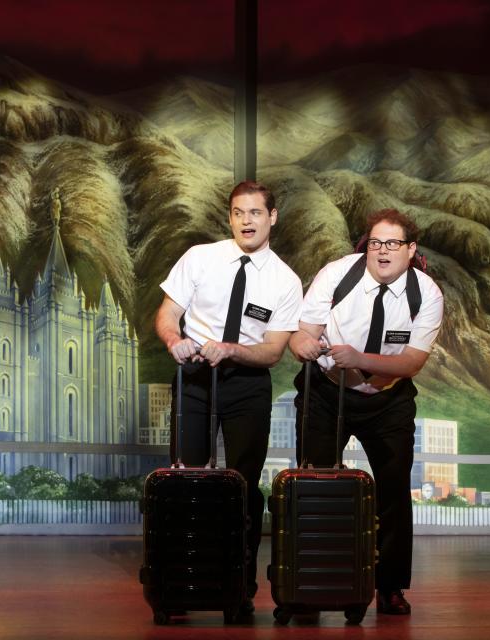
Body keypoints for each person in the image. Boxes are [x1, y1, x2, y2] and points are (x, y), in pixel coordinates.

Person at [154, 181, 302, 610]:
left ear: (272, 217)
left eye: (255, 213)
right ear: (230, 217)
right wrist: (172, 341)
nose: (246, 221)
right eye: (238, 213)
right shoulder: (200, 258)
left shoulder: (284, 281)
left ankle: (239, 582)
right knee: (187, 479)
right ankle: (182, 578)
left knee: (242, 485)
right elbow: (167, 316)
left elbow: (273, 351)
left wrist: (232, 349)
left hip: (246, 384)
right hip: (196, 378)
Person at [288, 208, 444, 615]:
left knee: (392, 491)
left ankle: (390, 587)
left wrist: (359, 358)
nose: (383, 251)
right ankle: (310, 583)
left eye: (393, 243)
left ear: (410, 249)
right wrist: (302, 344)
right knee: (315, 486)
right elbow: (304, 333)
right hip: (327, 394)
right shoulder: (337, 274)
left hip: (388, 401)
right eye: (376, 242)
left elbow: (411, 363)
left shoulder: (425, 294)